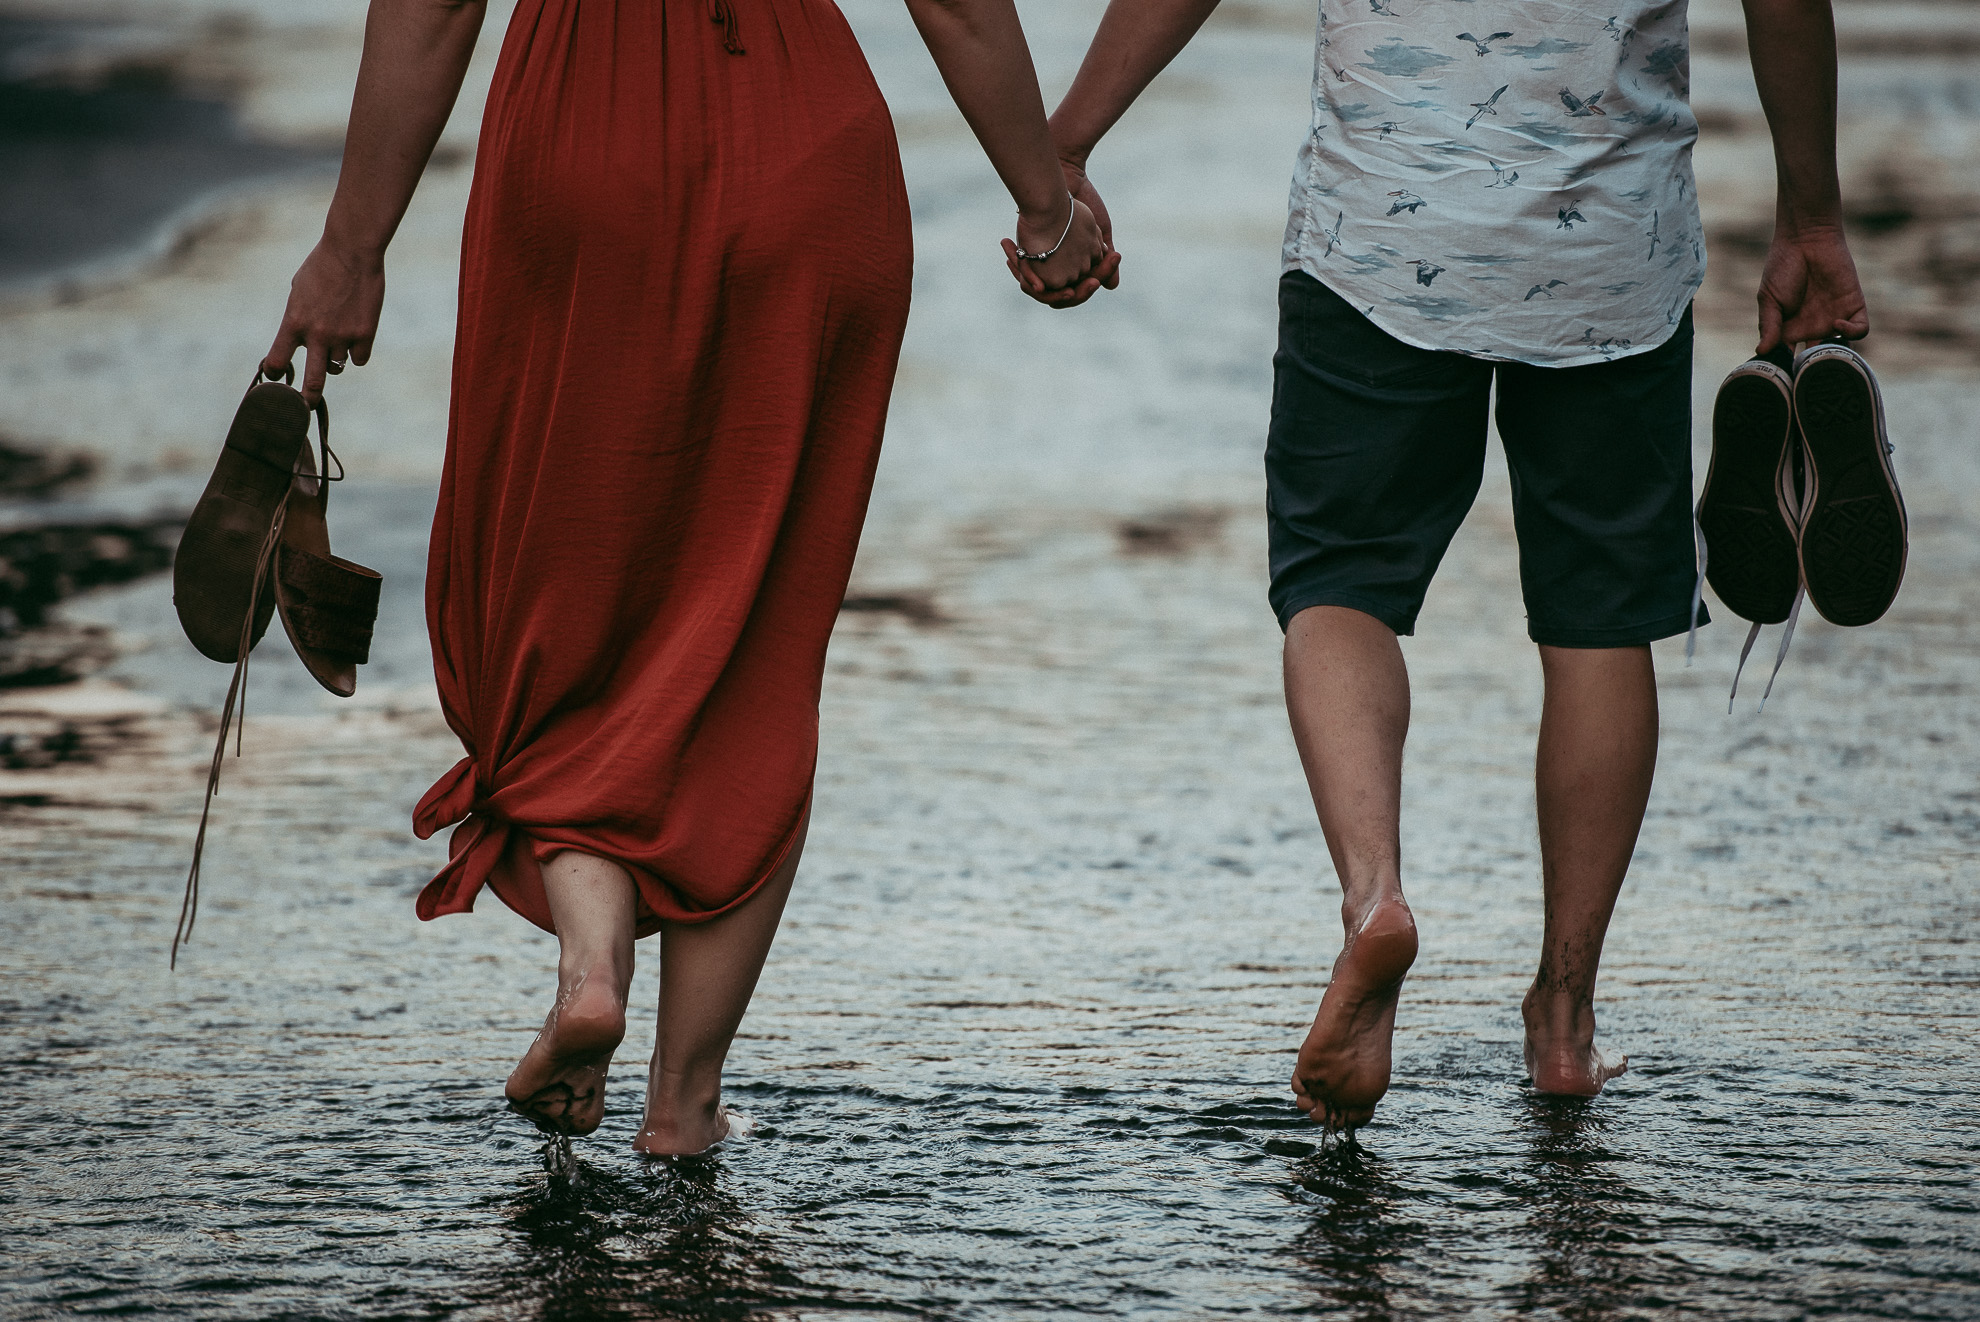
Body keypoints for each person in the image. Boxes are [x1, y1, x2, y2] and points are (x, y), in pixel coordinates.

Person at [262, 0, 1114, 1155]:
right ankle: (686, 1100)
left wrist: (352, 246)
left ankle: (590, 967)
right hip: (807, 161)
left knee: (557, 623)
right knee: (755, 634)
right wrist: (1046, 201)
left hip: (580, 157)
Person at [1031, 0, 1868, 1131]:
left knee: (1340, 582)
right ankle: (1565, 1022)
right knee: (1600, 621)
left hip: (1380, 230)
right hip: (1607, 245)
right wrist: (1809, 212)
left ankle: (1375, 896)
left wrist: (1065, 147)